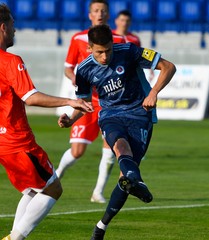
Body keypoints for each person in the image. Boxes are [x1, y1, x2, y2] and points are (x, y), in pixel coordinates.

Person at [58, 24, 176, 240]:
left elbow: (169, 67)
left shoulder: (129, 51)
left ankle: (102, 225)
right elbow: (83, 102)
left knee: (125, 177)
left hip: (141, 114)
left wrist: (154, 93)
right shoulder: (83, 70)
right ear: (89, 48)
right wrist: (71, 119)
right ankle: (136, 180)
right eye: (99, 52)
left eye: (108, 51)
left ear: (113, 45)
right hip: (110, 116)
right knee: (120, 147)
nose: (104, 57)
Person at [0, 4, 93, 240]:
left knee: (33, 189)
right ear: (2, 28)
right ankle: (14, 238)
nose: (14, 29)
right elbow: (30, 97)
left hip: (3, 143)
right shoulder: (10, 61)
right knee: (53, 188)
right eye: (11, 24)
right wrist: (70, 102)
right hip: (17, 141)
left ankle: (13, 236)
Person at [55, 0, 125, 204]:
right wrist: (74, 77)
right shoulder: (78, 38)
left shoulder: (118, 40)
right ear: (90, 14)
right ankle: (58, 174)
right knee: (77, 151)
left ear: (108, 14)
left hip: (110, 103)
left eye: (103, 10)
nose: (100, 13)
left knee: (110, 148)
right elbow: (68, 67)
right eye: (96, 10)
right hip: (86, 102)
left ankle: (98, 192)